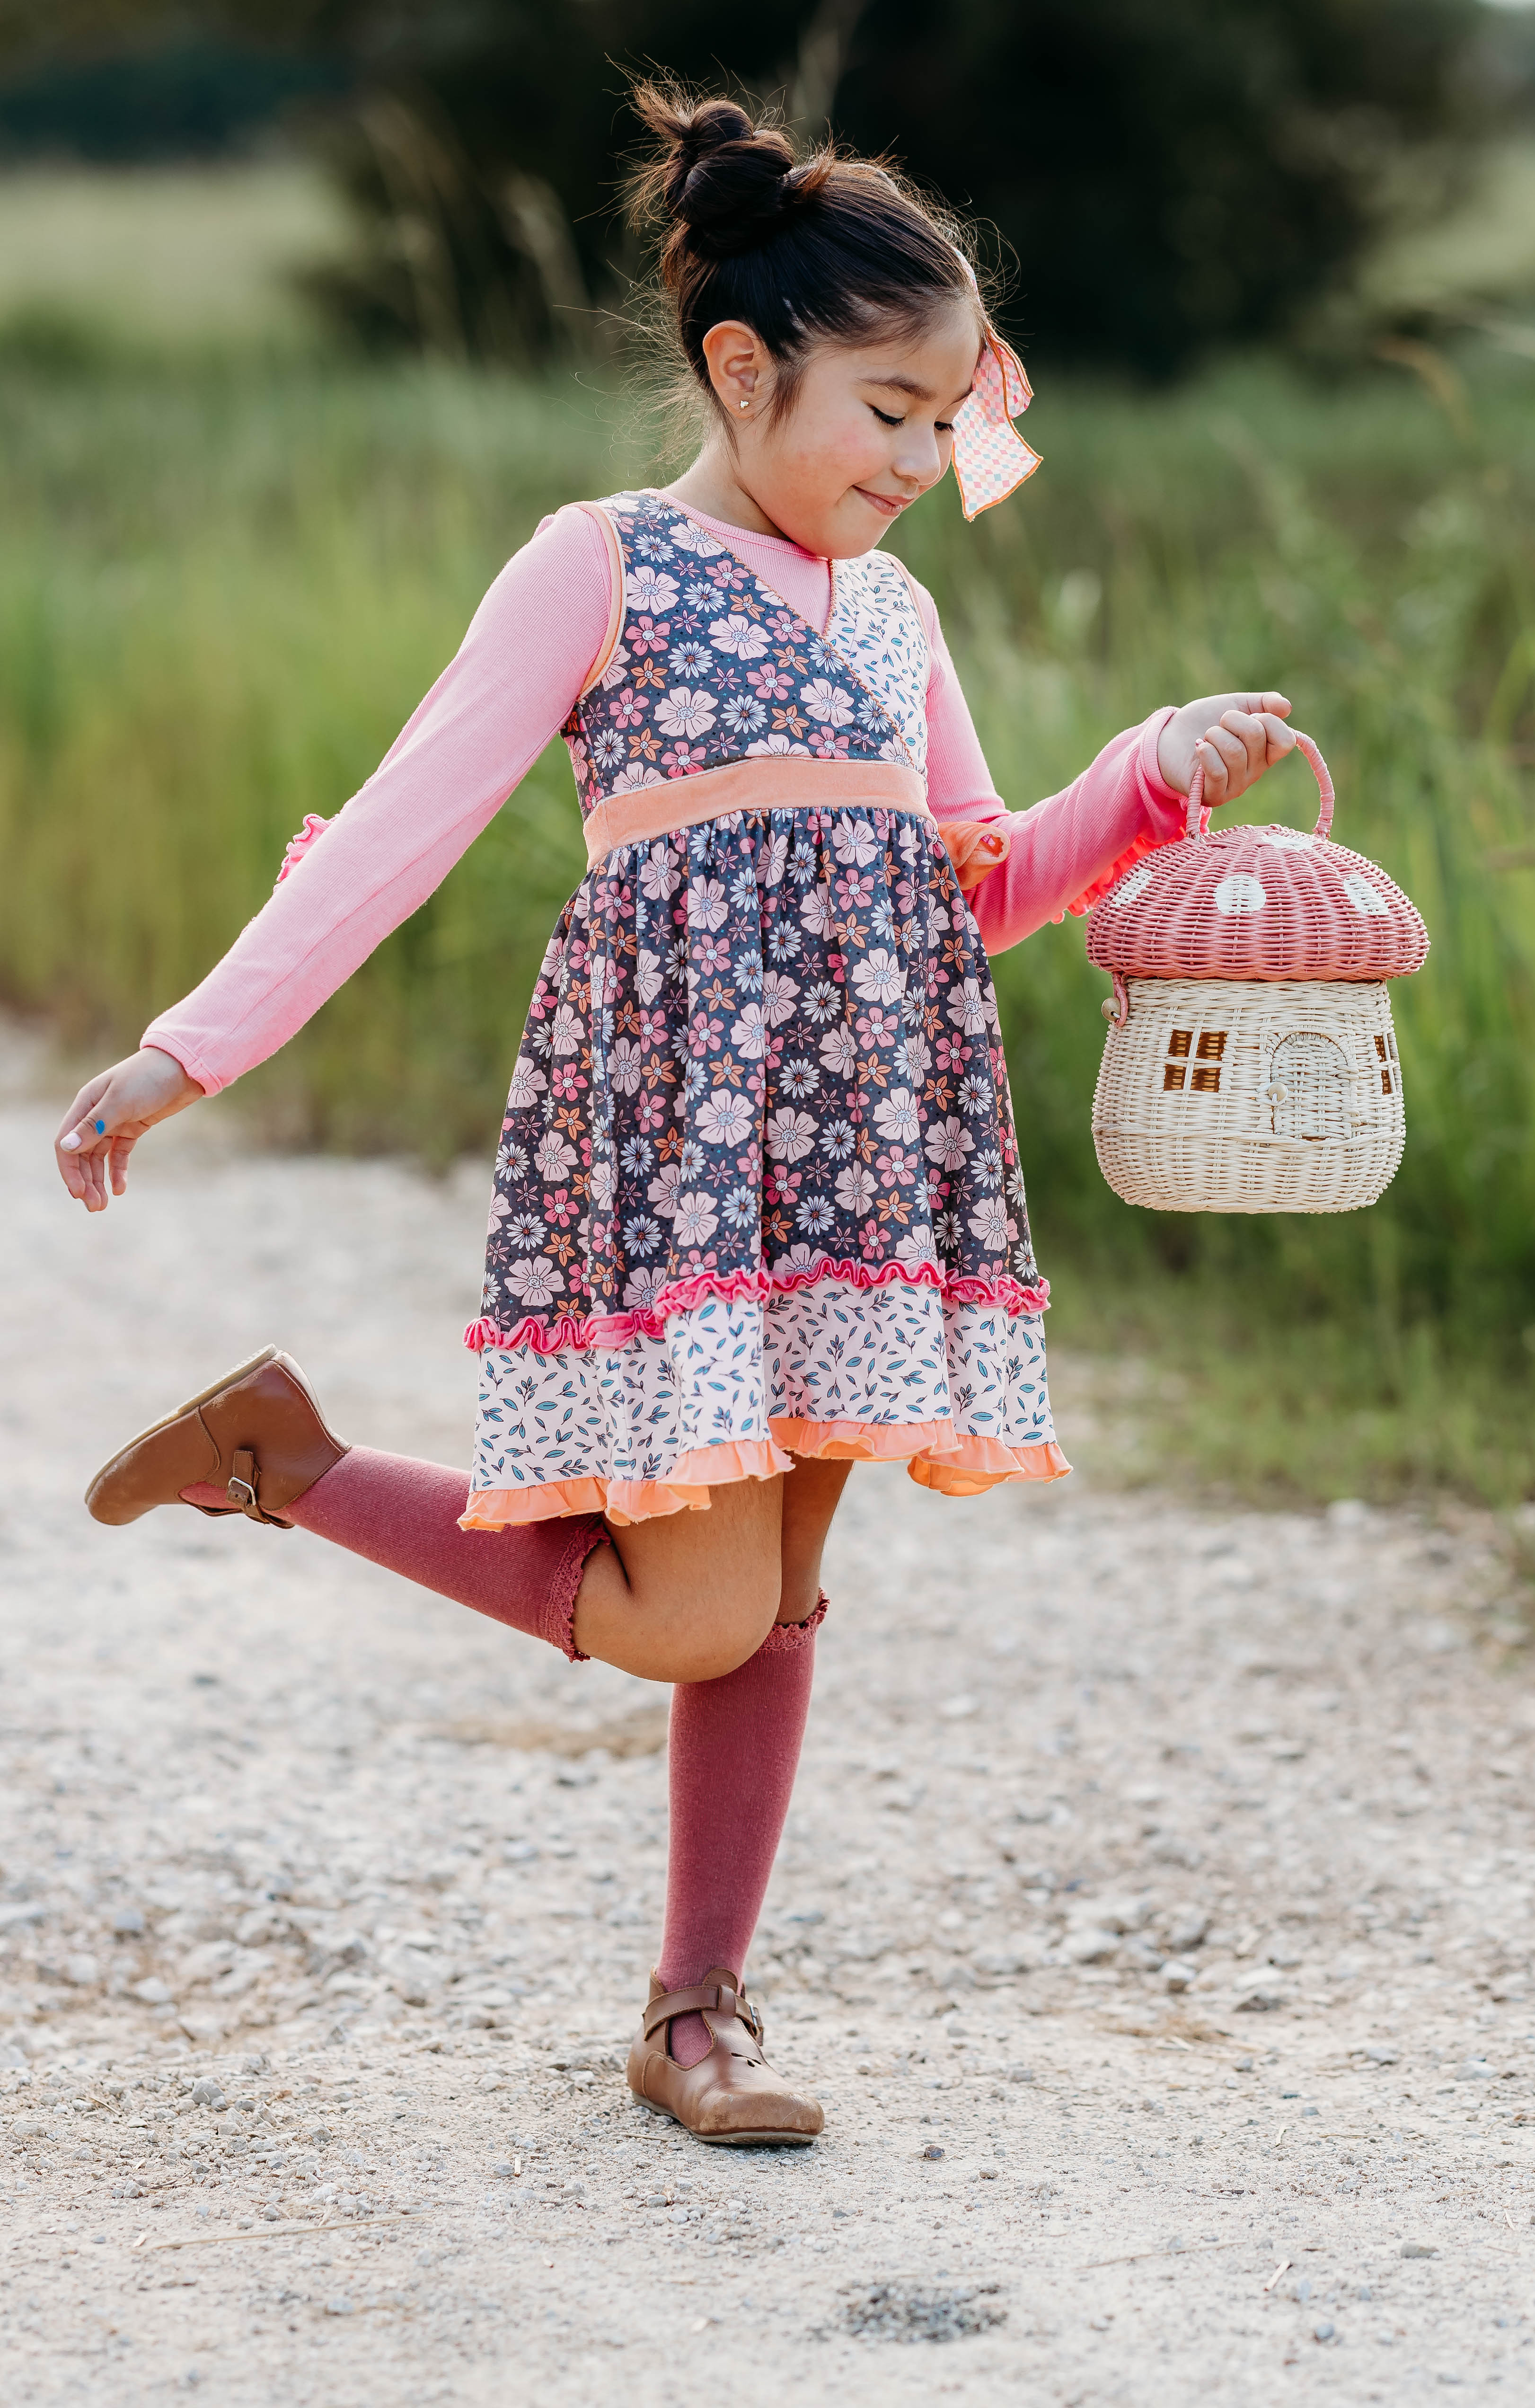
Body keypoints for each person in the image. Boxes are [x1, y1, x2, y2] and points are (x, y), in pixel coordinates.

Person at [54, 86, 1294, 2145]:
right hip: (689, 1160)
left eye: (939, 420)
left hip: (868, 1157)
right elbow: (397, 824)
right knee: (689, 1608)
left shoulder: (894, 614)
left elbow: (969, 882)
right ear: (742, 367)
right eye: (881, 412)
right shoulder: (599, 566)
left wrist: (1148, 772)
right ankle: (287, 1459)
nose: (913, 463)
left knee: (780, 1599)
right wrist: (192, 1044)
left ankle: (696, 2012)